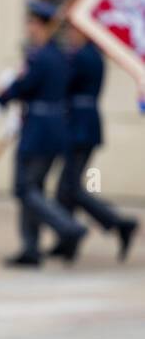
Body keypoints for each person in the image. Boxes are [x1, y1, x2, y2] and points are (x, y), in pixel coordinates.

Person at [0, 0, 86, 267]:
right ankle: (31, 248)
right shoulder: (60, 55)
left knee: (25, 188)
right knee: (33, 188)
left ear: (44, 26)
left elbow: (23, 86)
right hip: (53, 127)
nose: (29, 29)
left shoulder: (40, 57)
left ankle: (67, 226)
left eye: (33, 24)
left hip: (38, 130)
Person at [55, 28, 137, 261]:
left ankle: (118, 223)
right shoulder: (89, 55)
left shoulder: (82, 56)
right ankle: (67, 239)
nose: (69, 36)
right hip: (83, 124)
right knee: (66, 188)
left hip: (79, 127)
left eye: (73, 32)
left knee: (70, 187)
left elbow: (63, 81)